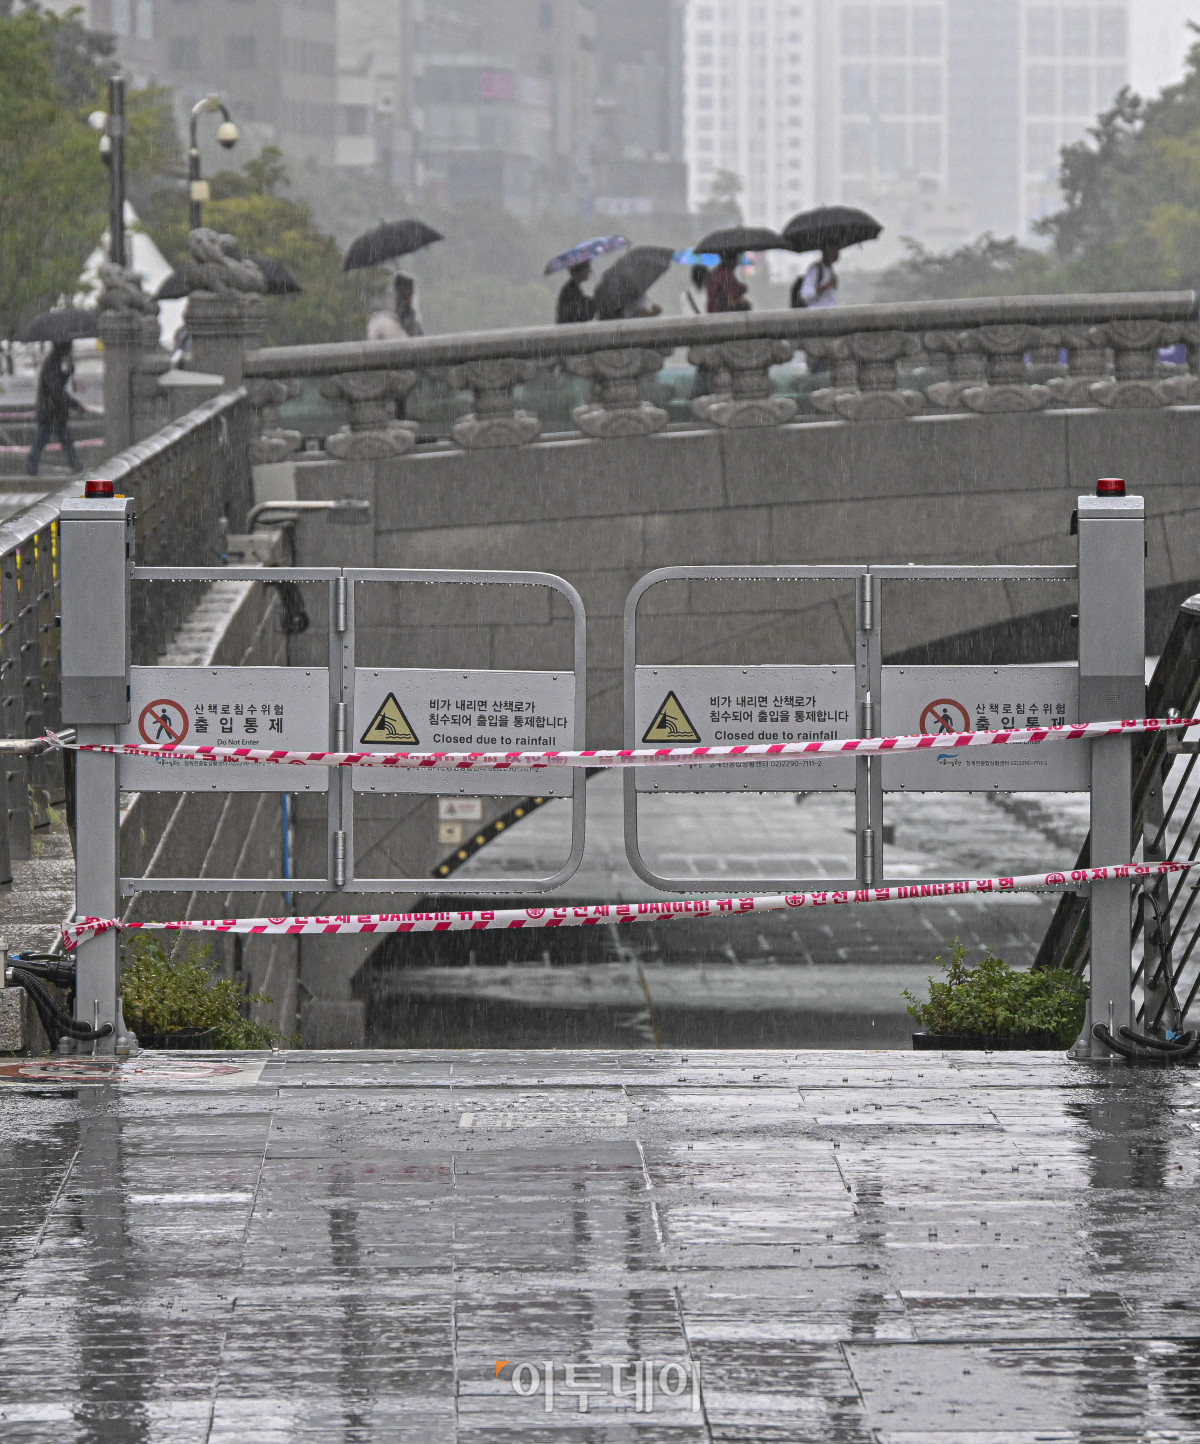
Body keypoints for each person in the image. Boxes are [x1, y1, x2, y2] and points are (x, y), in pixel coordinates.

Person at [26, 341, 83, 476]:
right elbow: (56, 390)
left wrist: (68, 374)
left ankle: (76, 465)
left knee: (61, 440)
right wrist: (75, 404)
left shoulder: (53, 363)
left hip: (53, 412)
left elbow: (56, 385)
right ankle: (31, 468)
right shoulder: (52, 364)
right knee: (45, 440)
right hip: (51, 412)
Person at [367, 272, 423, 339]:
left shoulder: (410, 318)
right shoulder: (383, 321)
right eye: (407, 294)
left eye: (411, 294)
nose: (410, 300)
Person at [792, 244, 840, 309]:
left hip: (829, 312)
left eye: (837, 250)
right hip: (818, 313)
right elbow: (806, 294)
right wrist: (828, 284)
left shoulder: (830, 269)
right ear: (825, 252)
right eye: (833, 250)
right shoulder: (815, 269)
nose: (837, 253)